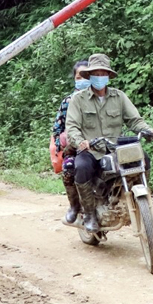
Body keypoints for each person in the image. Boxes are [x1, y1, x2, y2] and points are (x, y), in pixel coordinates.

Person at [65, 53, 153, 232]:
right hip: (91, 151)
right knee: (81, 167)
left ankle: (138, 199)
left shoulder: (119, 97)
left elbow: (135, 121)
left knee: (144, 158)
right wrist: (81, 142)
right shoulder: (77, 100)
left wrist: (149, 131)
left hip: (114, 150)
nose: (100, 77)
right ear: (90, 76)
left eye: (104, 73)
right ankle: (89, 214)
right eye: (96, 73)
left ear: (109, 76)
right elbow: (72, 127)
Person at [52, 60, 89, 224]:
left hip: (100, 144)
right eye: (79, 76)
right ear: (75, 78)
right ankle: (74, 206)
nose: (83, 79)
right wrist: (63, 145)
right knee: (69, 167)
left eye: (86, 76)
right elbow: (58, 127)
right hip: (76, 148)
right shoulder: (68, 102)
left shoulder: (102, 98)